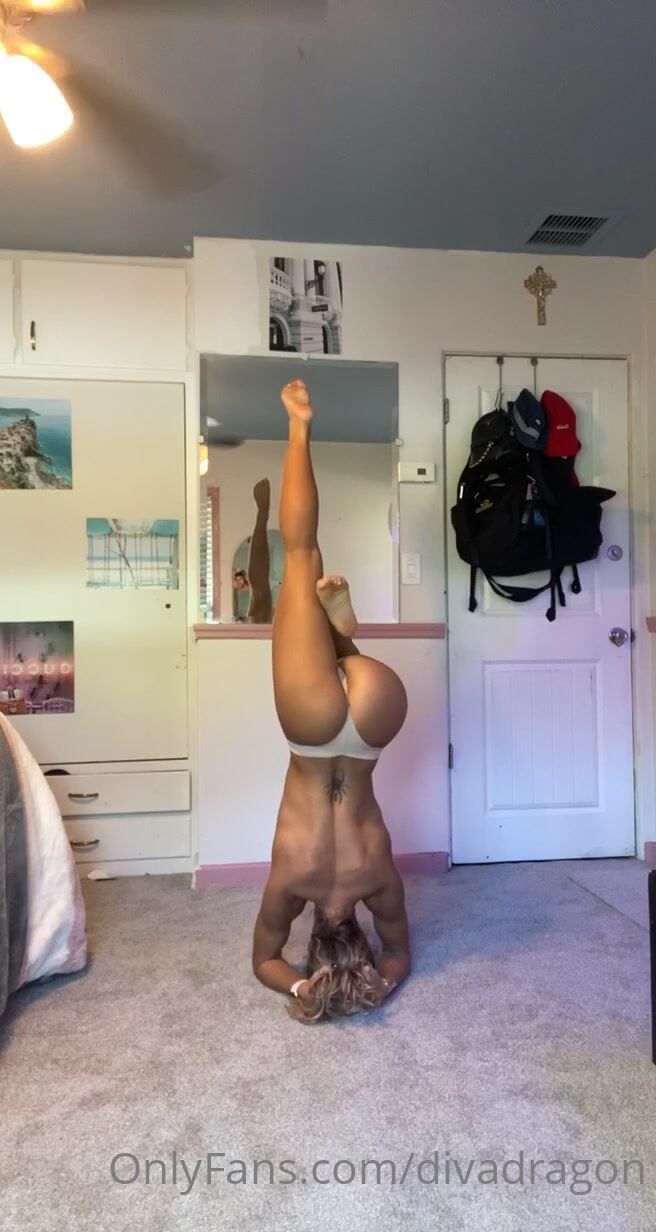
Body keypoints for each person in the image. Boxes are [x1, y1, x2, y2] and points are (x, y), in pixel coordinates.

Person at [252, 379, 411, 1024]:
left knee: (348, 662)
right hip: (312, 732)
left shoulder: (379, 882)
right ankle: (298, 426)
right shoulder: (293, 885)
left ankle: (346, 635)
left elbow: (400, 953)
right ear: (314, 935)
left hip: (375, 717)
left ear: (359, 938)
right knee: (301, 555)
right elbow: (264, 959)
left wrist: (385, 982)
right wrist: (299, 987)